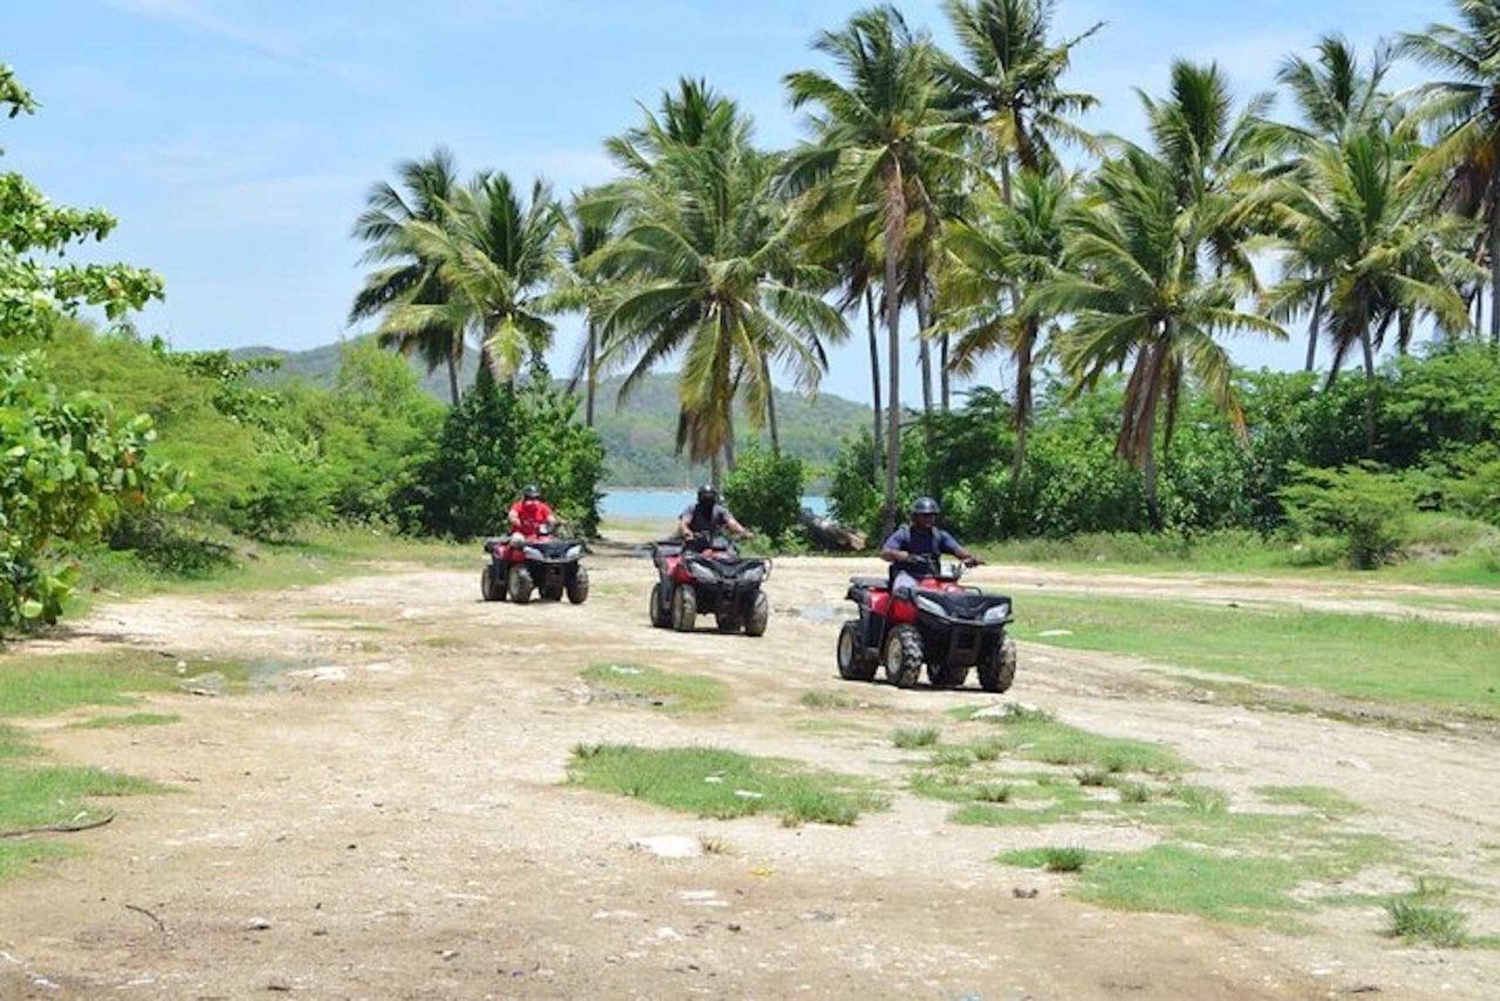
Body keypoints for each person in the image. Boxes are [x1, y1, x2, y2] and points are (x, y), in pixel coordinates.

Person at [880, 497, 981, 594]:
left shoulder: (939, 535)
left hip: (933, 577)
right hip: (907, 575)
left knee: (955, 593)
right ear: (915, 517)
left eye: (932, 515)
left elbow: (957, 550)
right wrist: (901, 556)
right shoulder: (904, 534)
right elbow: (885, 553)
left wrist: (970, 558)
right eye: (925, 516)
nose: (929, 519)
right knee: (904, 592)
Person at [678, 484, 753, 547]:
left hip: (716, 542)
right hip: (694, 542)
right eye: (705, 497)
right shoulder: (693, 509)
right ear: (700, 497)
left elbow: (732, 523)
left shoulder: (720, 510)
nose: (707, 499)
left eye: (710, 497)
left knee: (732, 553)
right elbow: (683, 523)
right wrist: (687, 532)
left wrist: (744, 532)